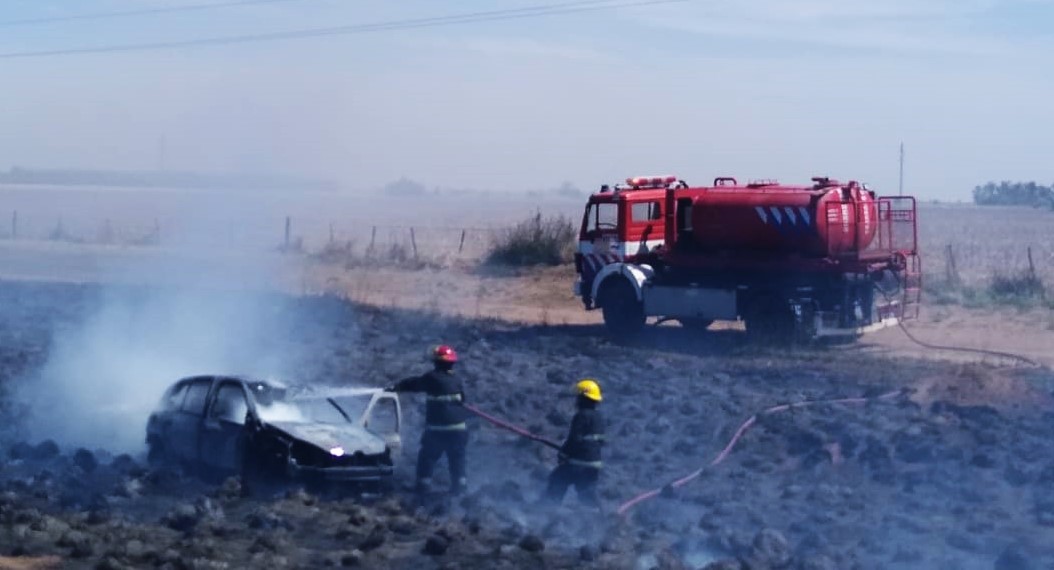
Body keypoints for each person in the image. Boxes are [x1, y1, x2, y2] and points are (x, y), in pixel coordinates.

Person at [386, 344, 469, 495]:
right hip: (459, 430)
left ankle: (422, 488)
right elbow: (462, 399)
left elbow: (415, 384)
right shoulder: (457, 380)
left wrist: (396, 387)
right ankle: (460, 488)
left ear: (436, 362)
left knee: (428, 457)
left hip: (438, 430)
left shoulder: (432, 378)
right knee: (457, 459)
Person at [545, 379, 605, 506]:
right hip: (594, 465)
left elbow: (574, 439)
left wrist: (563, 453)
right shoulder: (599, 417)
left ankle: (547, 511)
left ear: (583, 398)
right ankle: (599, 519)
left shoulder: (581, 416)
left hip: (578, 464)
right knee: (587, 494)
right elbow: (599, 442)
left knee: (557, 480)